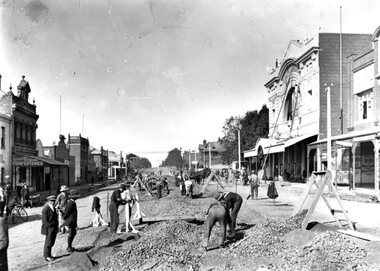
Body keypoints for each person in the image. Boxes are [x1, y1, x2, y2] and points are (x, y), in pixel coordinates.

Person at [41, 195, 58, 261]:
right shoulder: (46, 208)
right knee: (48, 242)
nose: (53, 202)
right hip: (49, 228)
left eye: (54, 201)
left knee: (51, 241)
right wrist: (51, 226)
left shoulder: (52, 207)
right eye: (52, 201)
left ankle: (49, 254)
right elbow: (44, 221)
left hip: (53, 227)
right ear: (48, 201)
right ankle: (46, 256)